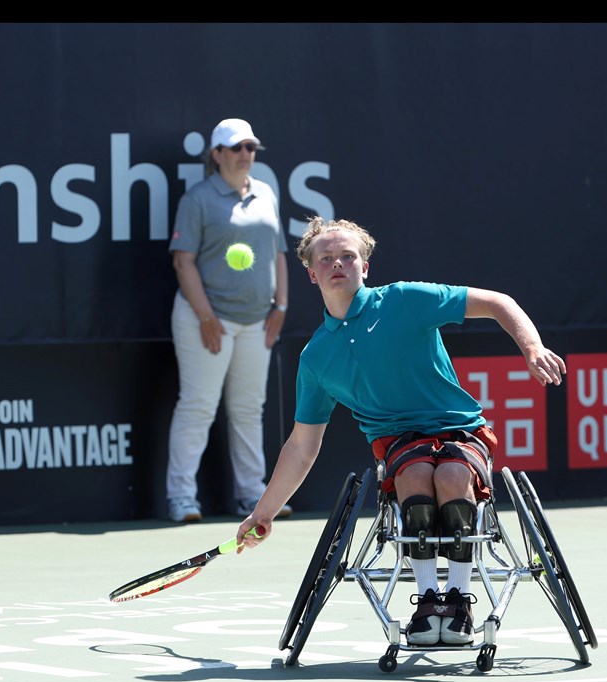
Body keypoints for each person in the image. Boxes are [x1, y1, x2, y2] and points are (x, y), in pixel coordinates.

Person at [233, 216, 566, 646]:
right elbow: (302, 446)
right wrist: (264, 512)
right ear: (312, 273)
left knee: (448, 475)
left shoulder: (405, 299)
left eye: (348, 256)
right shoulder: (316, 357)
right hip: (399, 447)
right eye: (327, 259)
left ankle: (460, 600)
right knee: (413, 476)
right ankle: (428, 601)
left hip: (460, 432)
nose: (338, 264)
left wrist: (533, 348)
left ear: (364, 267)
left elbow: (498, 302)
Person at [165, 117, 293, 523]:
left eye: (250, 148)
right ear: (217, 155)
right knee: (199, 405)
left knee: (248, 409)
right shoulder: (198, 200)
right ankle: (181, 498)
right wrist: (205, 316)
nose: (245, 155)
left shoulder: (266, 194)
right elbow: (183, 262)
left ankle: (253, 497)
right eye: (236, 148)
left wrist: (281, 307)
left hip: (257, 322)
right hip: (205, 320)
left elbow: (278, 254)